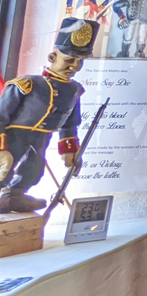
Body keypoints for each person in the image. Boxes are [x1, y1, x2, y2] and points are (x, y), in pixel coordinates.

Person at [0, 18, 97, 213]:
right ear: (53, 57)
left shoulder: (74, 90)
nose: (75, 66)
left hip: (43, 137)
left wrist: (70, 151)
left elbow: (70, 124)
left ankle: (14, 197)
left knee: (34, 170)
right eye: (69, 60)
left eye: (80, 61)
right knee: (5, 169)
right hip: (15, 136)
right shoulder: (26, 84)